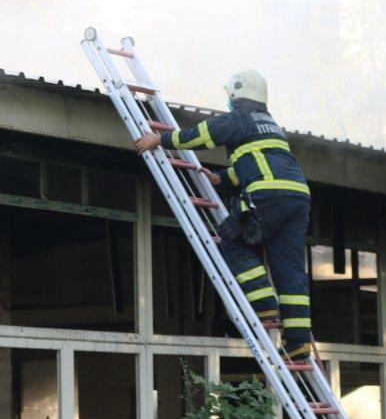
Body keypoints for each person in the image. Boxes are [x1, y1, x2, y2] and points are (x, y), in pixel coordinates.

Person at [134, 70, 314, 359]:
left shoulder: (240, 117)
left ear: (236, 94)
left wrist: (161, 141)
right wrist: (223, 178)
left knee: (233, 240)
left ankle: (264, 303)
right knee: (289, 269)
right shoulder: (271, 125)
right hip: (297, 197)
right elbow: (259, 161)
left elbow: (206, 134)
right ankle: (298, 341)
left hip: (268, 195)